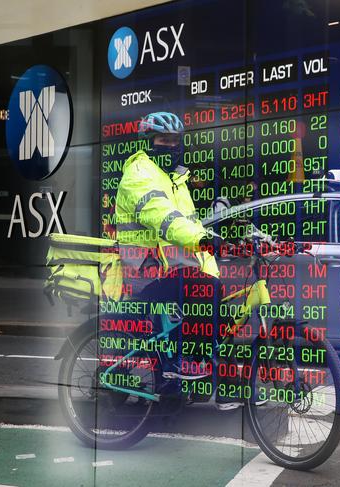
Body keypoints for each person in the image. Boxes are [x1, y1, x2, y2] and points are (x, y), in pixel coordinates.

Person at [114, 111, 242, 410]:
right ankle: (183, 363)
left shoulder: (177, 179)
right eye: (163, 140)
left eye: (175, 141)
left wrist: (223, 240)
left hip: (173, 270)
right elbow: (163, 217)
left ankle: (225, 389)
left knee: (219, 316)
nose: (170, 146)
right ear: (148, 143)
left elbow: (191, 224)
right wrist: (203, 241)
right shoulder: (139, 174)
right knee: (204, 293)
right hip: (146, 271)